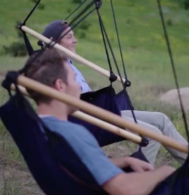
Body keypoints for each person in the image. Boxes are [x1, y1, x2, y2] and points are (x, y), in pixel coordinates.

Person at [39, 19, 189, 187]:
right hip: (90, 119)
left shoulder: (69, 62)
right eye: (69, 37)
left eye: (74, 35)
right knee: (153, 134)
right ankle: (131, 183)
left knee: (161, 119)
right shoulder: (54, 69)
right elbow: (62, 107)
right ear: (55, 43)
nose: (75, 40)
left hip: (99, 112)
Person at [23, 48, 177, 195]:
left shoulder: (37, 131)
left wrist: (124, 160)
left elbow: (80, 167)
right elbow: (126, 190)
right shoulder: (72, 134)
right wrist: (164, 172)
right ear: (60, 85)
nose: (78, 86)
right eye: (74, 79)